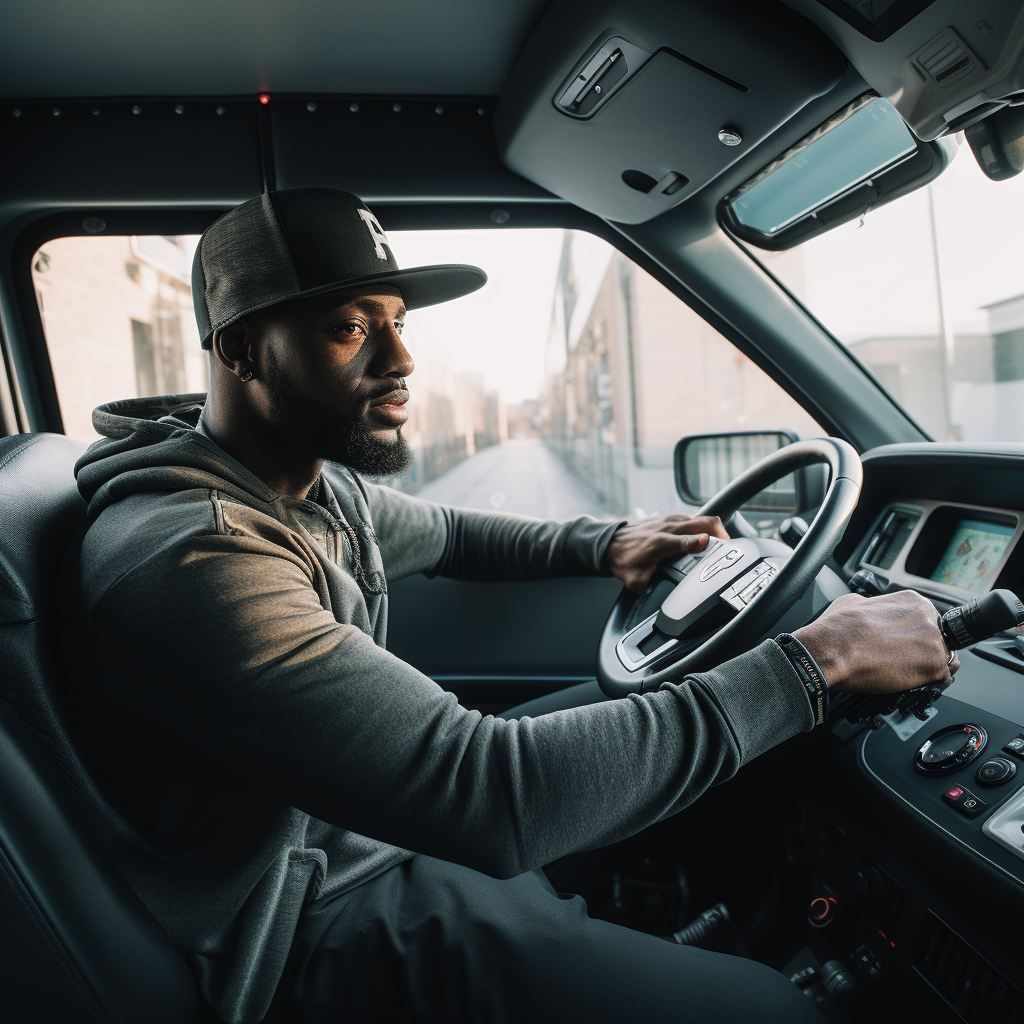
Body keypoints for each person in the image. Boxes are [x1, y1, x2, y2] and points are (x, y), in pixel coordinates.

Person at [69, 187, 958, 1024]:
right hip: (305, 923)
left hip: (367, 832)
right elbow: (490, 796)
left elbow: (453, 533)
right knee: (779, 1014)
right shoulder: (192, 553)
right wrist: (818, 662)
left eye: (398, 323)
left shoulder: (300, 484)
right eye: (350, 328)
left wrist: (606, 544)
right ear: (238, 347)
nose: (401, 359)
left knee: (672, 719)